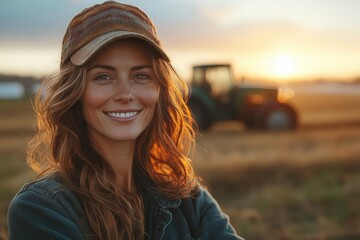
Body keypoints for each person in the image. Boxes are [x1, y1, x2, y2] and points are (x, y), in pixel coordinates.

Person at [7, 1, 243, 239]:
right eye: (103, 77)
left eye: (141, 75)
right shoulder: (43, 209)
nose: (126, 94)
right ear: (74, 92)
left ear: (159, 89)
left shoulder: (191, 200)